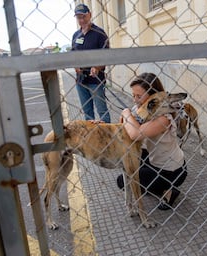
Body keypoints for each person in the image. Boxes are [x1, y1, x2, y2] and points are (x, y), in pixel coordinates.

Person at [118, 72, 187, 210]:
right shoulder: (141, 110)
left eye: (139, 96)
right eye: (133, 95)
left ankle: (168, 191)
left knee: (122, 181)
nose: (135, 100)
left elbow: (135, 134)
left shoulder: (164, 118)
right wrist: (100, 125)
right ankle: (154, 185)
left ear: (153, 97)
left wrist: (126, 114)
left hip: (171, 170)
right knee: (128, 167)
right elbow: (122, 128)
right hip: (153, 159)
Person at [71, 3, 111, 123]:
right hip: (81, 80)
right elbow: (72, 55)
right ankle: (91, 137)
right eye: (79, 17)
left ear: (90, 15)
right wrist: (76, 66)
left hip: (96, 80)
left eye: (84, 16)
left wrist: (97, 67)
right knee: (87, 112)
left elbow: (106, 55)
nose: (82, 20)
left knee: (102, 110)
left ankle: (107, 136)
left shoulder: (99, 33)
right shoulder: (75, 35)